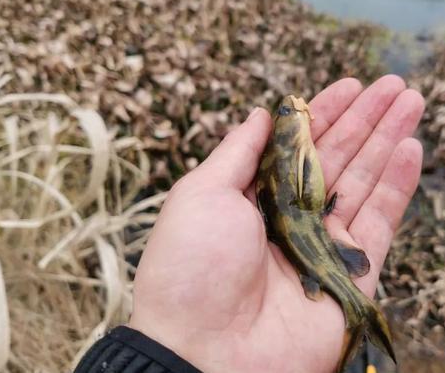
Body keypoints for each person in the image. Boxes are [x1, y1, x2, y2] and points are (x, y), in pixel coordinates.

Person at [74, 75, 425, 373]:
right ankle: (358, 310)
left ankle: (358, 312)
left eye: (285, 111)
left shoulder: (292, 149)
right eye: (288, 112)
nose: (293, 108)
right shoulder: (293, 151)